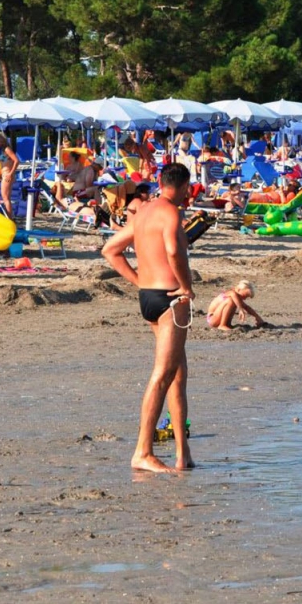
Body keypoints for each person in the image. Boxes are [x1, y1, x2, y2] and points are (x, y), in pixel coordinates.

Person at [101, 163, 196, 473]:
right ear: (185, 187)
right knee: (162, 375)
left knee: (177, 374)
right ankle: (142, 451)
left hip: (148, 296)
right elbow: (173, 251)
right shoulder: (172, 212)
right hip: (170, 298)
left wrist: (138, 280)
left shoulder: (143, 212)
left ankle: (183, 455)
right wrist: (186, 286)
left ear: (159, 181)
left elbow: (111, 250)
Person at [0, 133, 20, 217]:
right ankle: (10, 217)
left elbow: (16, 160)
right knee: (6, 198)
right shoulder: (3, 150)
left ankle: (9, 218)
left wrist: (10, 173)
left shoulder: (7, 149)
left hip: (7, 174)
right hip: (5, 174)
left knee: (5, 198)